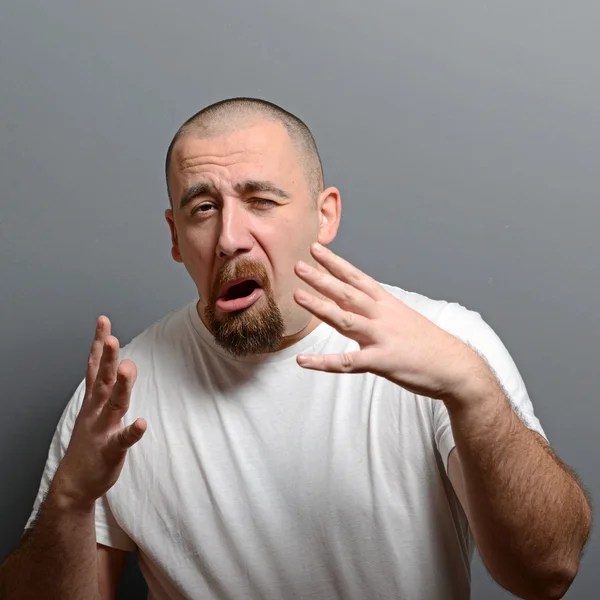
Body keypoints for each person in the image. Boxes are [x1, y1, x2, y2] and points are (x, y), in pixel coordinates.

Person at [0, 98, 591, 600]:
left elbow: (547, 573)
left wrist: (473, 393)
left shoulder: (447, 344)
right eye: (203, 208)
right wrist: (72, 499)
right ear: (176, 238)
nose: (230, 237)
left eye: (260, 200)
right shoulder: (116, 398)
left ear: (323, 215)